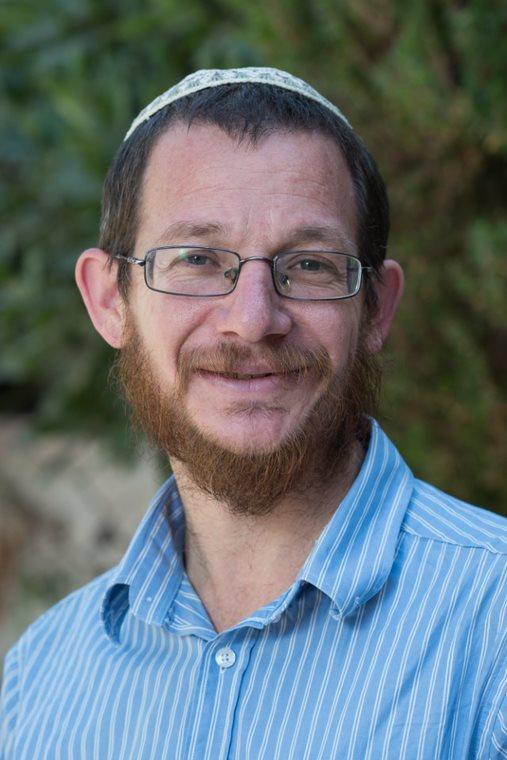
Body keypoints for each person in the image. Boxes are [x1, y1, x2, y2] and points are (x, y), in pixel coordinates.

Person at [1, 67, 506, 760]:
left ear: (376, 309)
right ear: (110, 300)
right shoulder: (36, 683)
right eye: (197, 259)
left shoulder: (493, 621)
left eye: (309, 266)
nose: (253, 319)